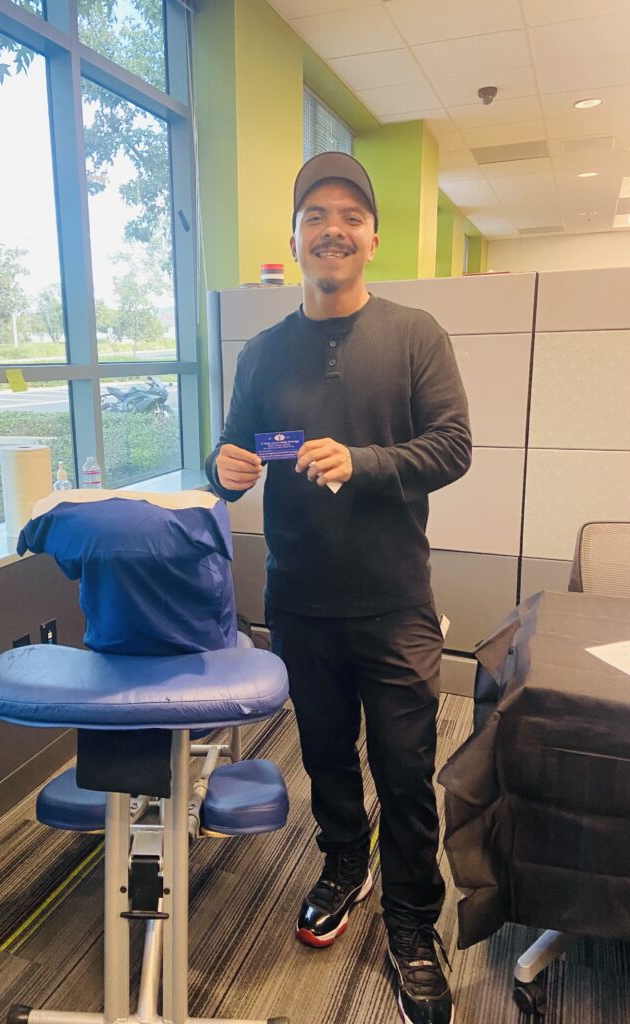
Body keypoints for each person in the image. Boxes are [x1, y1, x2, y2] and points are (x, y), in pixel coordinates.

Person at [205, 151, 472, 1024]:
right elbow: (233, 450)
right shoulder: (265, 350)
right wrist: (225, 466)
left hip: (394, 600)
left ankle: (411, 922)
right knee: (325, 759)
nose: (333, 228)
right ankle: (343, 868)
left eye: (350, 216)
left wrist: (362, 462)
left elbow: (452, 448)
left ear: (372, 237)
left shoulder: (415, 333)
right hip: (300, 598)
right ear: (295, 237)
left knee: (405, 768)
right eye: (316, 214)